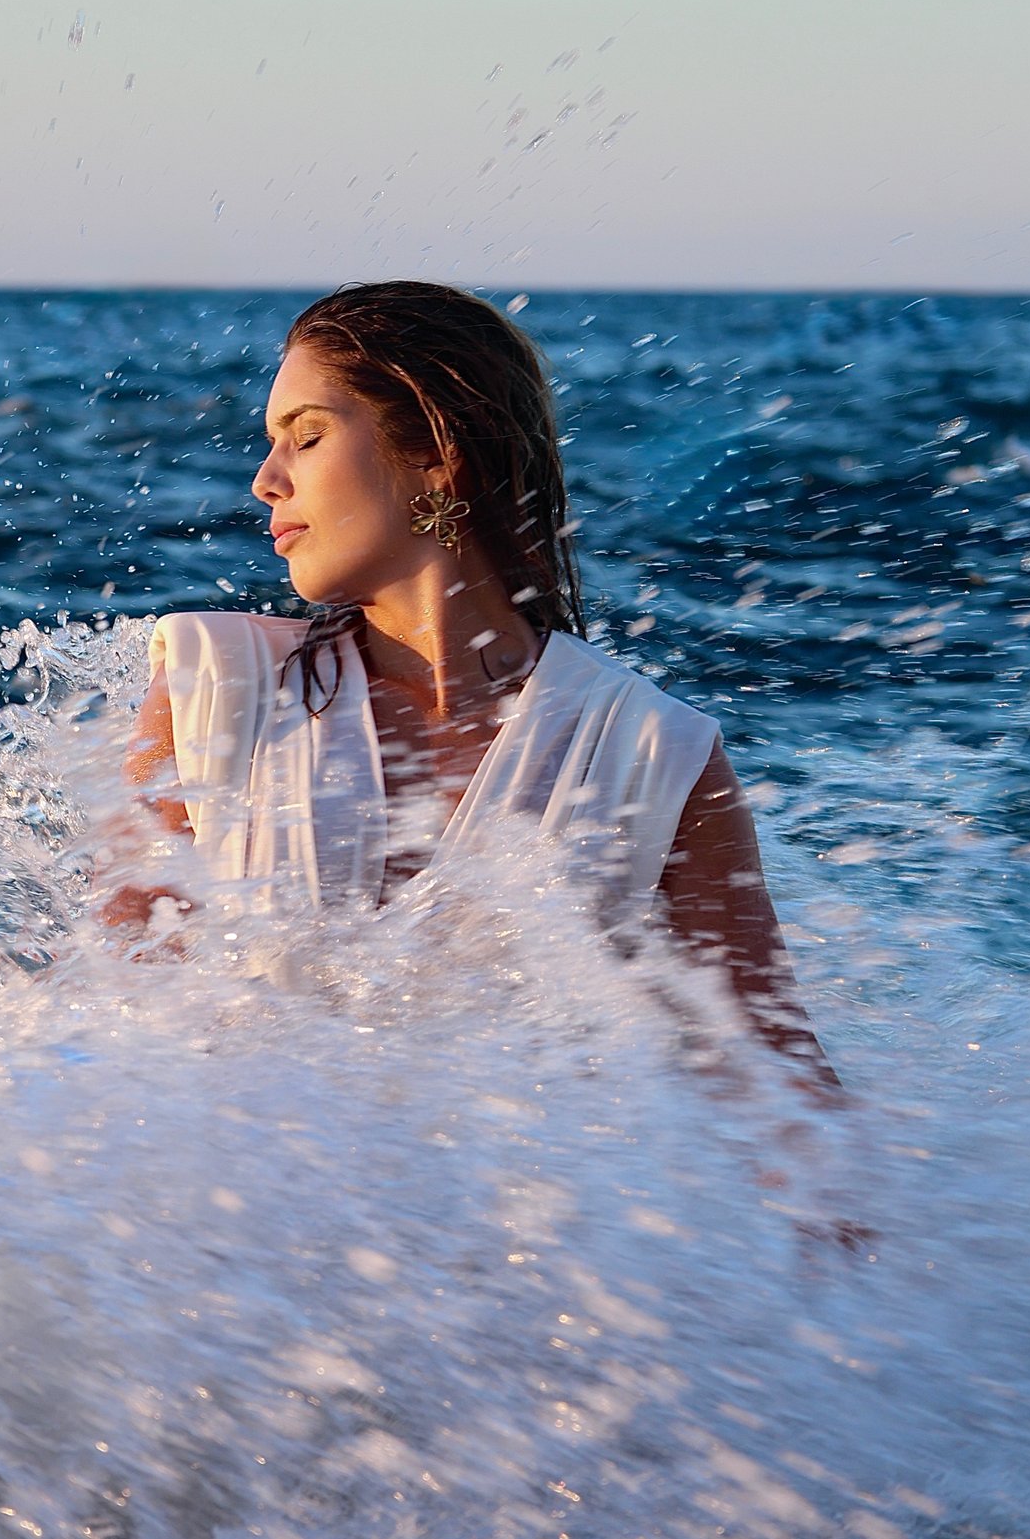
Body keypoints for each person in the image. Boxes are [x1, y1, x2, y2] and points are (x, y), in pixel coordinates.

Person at [106, 281, 834, 1085]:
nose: (265, 480)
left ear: (436, 449)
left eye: (306, 437)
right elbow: (111, 1020)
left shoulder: (654, 752)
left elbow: (781, 1090)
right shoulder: (216, 683)